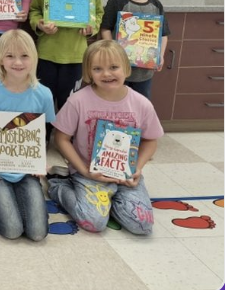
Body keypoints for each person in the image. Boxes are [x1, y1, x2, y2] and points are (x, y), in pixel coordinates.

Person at [48, 40, 163, 235]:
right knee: (94, 223)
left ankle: (111, 200)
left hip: (125, 175)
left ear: (126, 68)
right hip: (88, 173)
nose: (107, 74)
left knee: (142, 226)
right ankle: (59, 185)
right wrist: (84, 171)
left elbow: (151, 140)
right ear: (88, 72)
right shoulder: (78, 101)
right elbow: (61, 138)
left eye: (114, 67)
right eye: (98, 69)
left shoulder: (141, 104)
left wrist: (137, 169)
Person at [0, 30, 56, 241]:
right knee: (12, 230)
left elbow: (40, 129)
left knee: (37, 233)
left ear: (34, 57)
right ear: (0, 59)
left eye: (24, 56)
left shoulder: (43, 94)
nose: (18, 62)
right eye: (10, 56)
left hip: (25, 167)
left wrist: (39, 159)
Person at [29, 0, 103, 111]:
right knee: (43, 102)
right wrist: (40, 24)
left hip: (76, 56)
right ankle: (44, 130)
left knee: (70, 103)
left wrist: (91, 28)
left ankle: (65, 130)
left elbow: (98, 14)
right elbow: (34, 11)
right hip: (47, 54)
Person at [99, 0, 170, 100]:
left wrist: (160, 55)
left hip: (144, 72)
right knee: (114, 102)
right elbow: (105, 29)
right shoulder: (116, 2)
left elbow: (163, 34)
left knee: (140, 103)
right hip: (117, 68)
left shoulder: (156, 5)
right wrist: (113, 51)